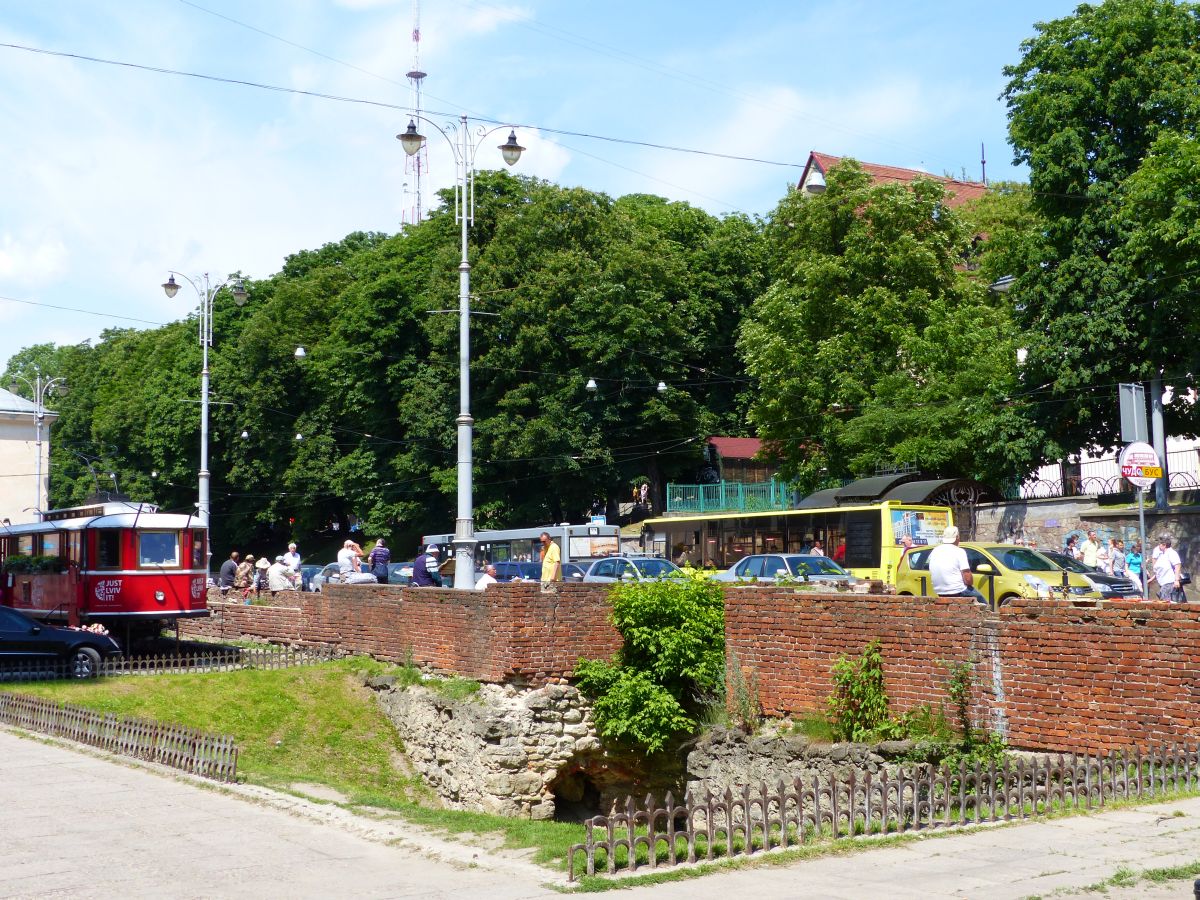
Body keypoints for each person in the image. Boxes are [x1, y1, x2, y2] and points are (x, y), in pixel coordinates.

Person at [927, 525, 986, 605]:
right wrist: (970, 583)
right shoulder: (959, 551)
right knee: (983, 603)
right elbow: (967, 577)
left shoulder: (935, 551)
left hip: (940, 591)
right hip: (958, 590)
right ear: (957, 537)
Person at [1149, 535, 1183, 602]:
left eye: (1160, 545)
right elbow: (1161, 570)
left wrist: (1176, 580)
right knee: (1164, 603)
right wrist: (1152, 579)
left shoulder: (1171, 553)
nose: (1158, 546)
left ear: (1164, 545)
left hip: (1169, 583)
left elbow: (1177, 565)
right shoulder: (1163, 554)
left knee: (1167, 604)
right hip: (1163, 583)